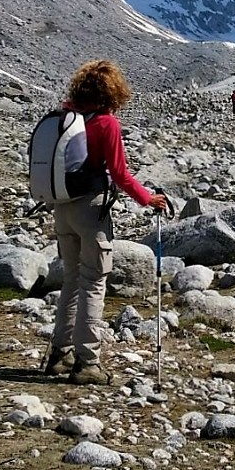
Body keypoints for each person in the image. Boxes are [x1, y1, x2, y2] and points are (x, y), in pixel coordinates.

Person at [45, 60, 167, 385]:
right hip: (90, 211)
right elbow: (120, 173)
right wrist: (148, 199)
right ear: (112, 90)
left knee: (71, 280)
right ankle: (87, 363)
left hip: (62, 208)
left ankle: (59, 355)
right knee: (93, 282)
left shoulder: (65, 117)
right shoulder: (105, 123)